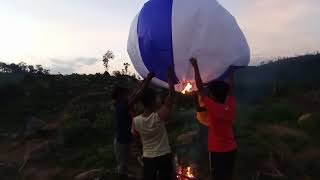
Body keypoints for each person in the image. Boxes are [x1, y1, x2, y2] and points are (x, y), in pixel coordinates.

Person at [190, 57, 237, 180]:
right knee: (228, 176)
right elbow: (231, 90)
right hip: (231, 148)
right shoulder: (230, 106)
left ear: (213, 96)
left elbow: (200, 88)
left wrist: (195, 66)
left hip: (217, 151)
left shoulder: (213, 107)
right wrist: (231, 72)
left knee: (216, 176)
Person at [132, 67, 175, 180]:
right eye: (157, 98)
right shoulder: (159, 116)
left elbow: (135, 135)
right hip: (163, 156)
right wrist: (170, 77)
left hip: (148, 158)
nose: (158, 100)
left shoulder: (136, 121)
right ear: (152, 101)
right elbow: (171, 96)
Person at [112, 73, 154, 180]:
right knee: (123, 167)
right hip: (122, 142)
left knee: (126, 165)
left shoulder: (121, 103)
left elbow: (135, 93)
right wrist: (147, 80)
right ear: (120, 95)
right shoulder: (123, 105)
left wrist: (144, 81)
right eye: (126, 93)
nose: (128, 94)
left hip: (125, 140)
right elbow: (137, 95)